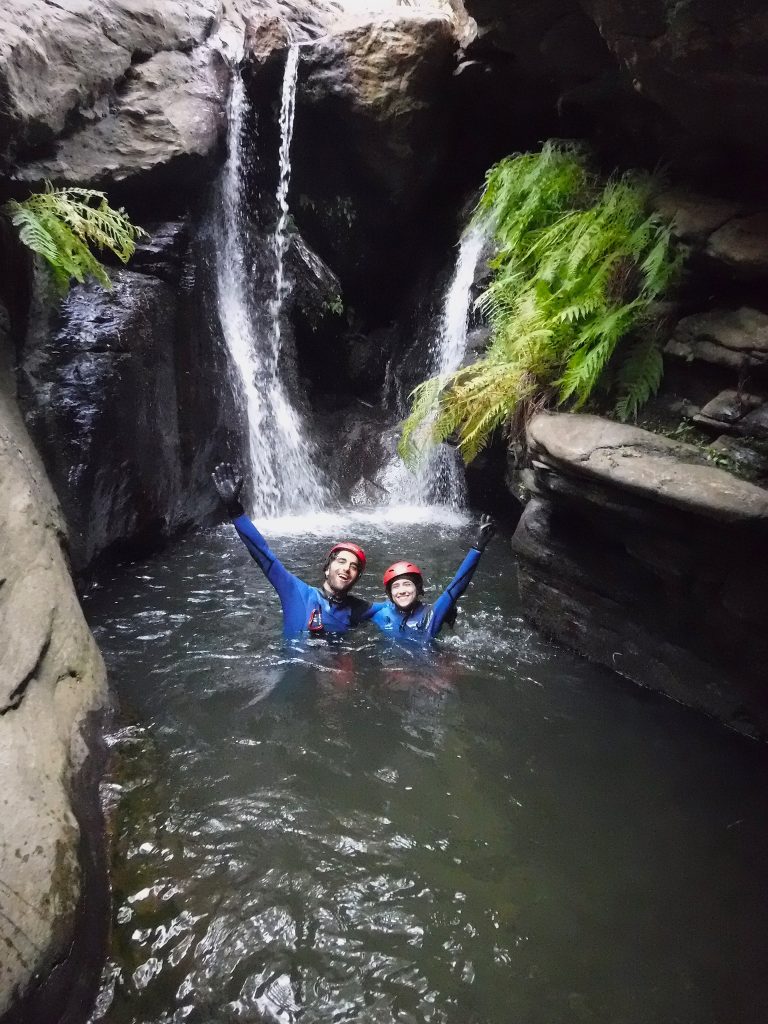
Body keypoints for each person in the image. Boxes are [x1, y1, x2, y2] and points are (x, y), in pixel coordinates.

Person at [212, 463, 373, 638]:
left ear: (356, 578)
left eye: (354, 566)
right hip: (294, 664)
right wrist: (234, 509)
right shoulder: (295, 592)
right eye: (341, 561)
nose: (346, 568)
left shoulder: (359, 611)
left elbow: (398, 605)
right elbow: (263, 554)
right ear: (327, 568)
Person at [368, 515, 496, 641]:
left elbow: (456, 588)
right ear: (390, 593)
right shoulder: (380, 613)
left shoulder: (431, 614)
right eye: (396, 586)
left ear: (418, 589)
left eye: (407, 584)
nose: (401, 590)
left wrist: (477, 548)